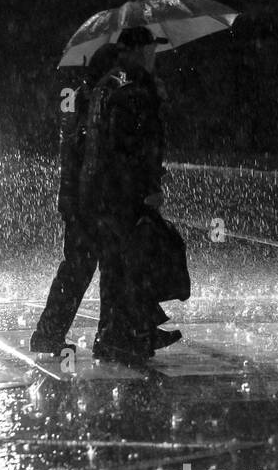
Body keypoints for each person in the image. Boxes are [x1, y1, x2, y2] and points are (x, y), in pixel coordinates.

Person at [76, 26, 182, 365]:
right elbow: (134, 146)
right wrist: (148, 188)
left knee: (116, 266)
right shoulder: (134, 88)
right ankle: (125, 334)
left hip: (101, 192)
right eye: (151, 49)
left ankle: (121, 333)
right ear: (137, 51)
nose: (154, 55)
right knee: (134, 264)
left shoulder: (108, 83)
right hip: (124, 194)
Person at [28, 42, 121, 356]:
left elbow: (72, 152)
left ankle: (50, 332)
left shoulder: (83, 97)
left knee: (77, 268)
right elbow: (88, 153)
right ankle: (54, 333)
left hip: (78, 198)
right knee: (82, 268)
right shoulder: (97, 100)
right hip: (86, 200)